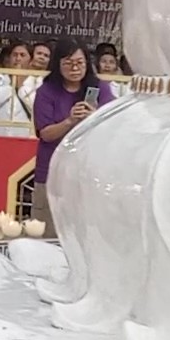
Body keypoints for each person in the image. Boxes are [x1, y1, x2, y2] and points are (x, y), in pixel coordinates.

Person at [32, 40, 116, 228]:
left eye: (80, 62)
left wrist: (94, 117)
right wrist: (70, 121)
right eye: (68, 63)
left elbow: (112, 124)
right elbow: (45, 133)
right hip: (52, 170)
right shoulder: (46, 91)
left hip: (88, 170)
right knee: (47, 229)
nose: (75, 68)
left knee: (84, 229)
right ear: (57, 65)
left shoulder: (100, 88)